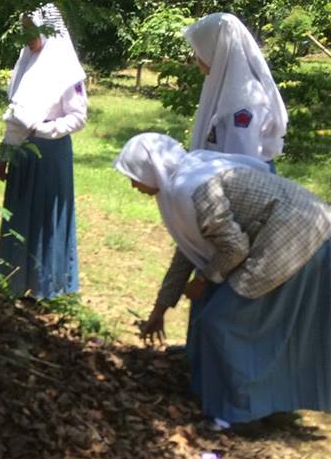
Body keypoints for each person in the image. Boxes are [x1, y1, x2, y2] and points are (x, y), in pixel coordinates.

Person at [114, 133, 331, 430]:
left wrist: (205, 279)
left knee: (222, 321)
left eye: (135, 176)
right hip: (293, 231)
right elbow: (186, 253)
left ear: (152, 169)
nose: (133, 185)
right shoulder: (182, 179)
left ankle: (237, 414)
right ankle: (246, 399)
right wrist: (160, 308)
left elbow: (235, 248)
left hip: (296, 238)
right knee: (222, 315)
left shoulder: (192, 188)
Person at [0, 4, 87, 299]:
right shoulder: (26, 63)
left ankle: (46, 286)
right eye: (24, 30)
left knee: (46, 218)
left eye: (32, 30)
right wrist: (6, 152)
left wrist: (42, 129)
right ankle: (16, 281)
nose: (27, 37)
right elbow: (16, 112)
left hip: (49, 155)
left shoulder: (66, 69)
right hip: (22, 155)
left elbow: (78, 117)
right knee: (20, 214)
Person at [182, 13, 288, 171]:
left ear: (216, 50)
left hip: (241, 181)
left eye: (199, 50)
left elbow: (242, 166)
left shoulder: (243, 101)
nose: (196, 58)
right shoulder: (224, 88)